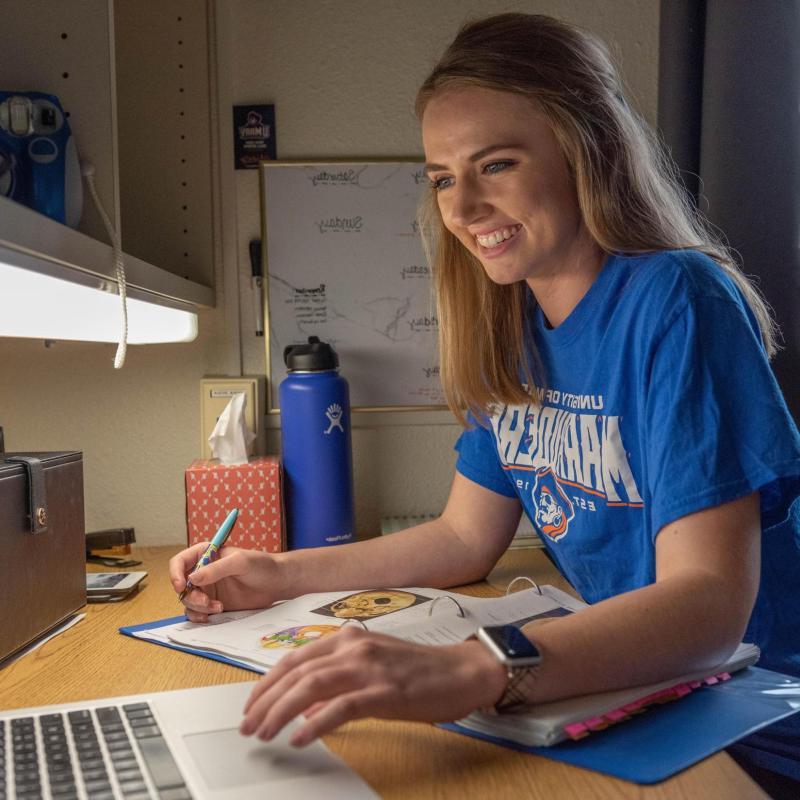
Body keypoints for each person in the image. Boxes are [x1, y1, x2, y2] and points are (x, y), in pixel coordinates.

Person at [170, 13, 800, 797]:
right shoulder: (506, 324)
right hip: (629, 686)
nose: (462, 208)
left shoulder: (677, 299)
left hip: (756, 712)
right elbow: (465, 537)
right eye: (441, 178)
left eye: (495, 164)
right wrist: (278, 573)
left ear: (586, 152)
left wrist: (475, 668)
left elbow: (709, 607)